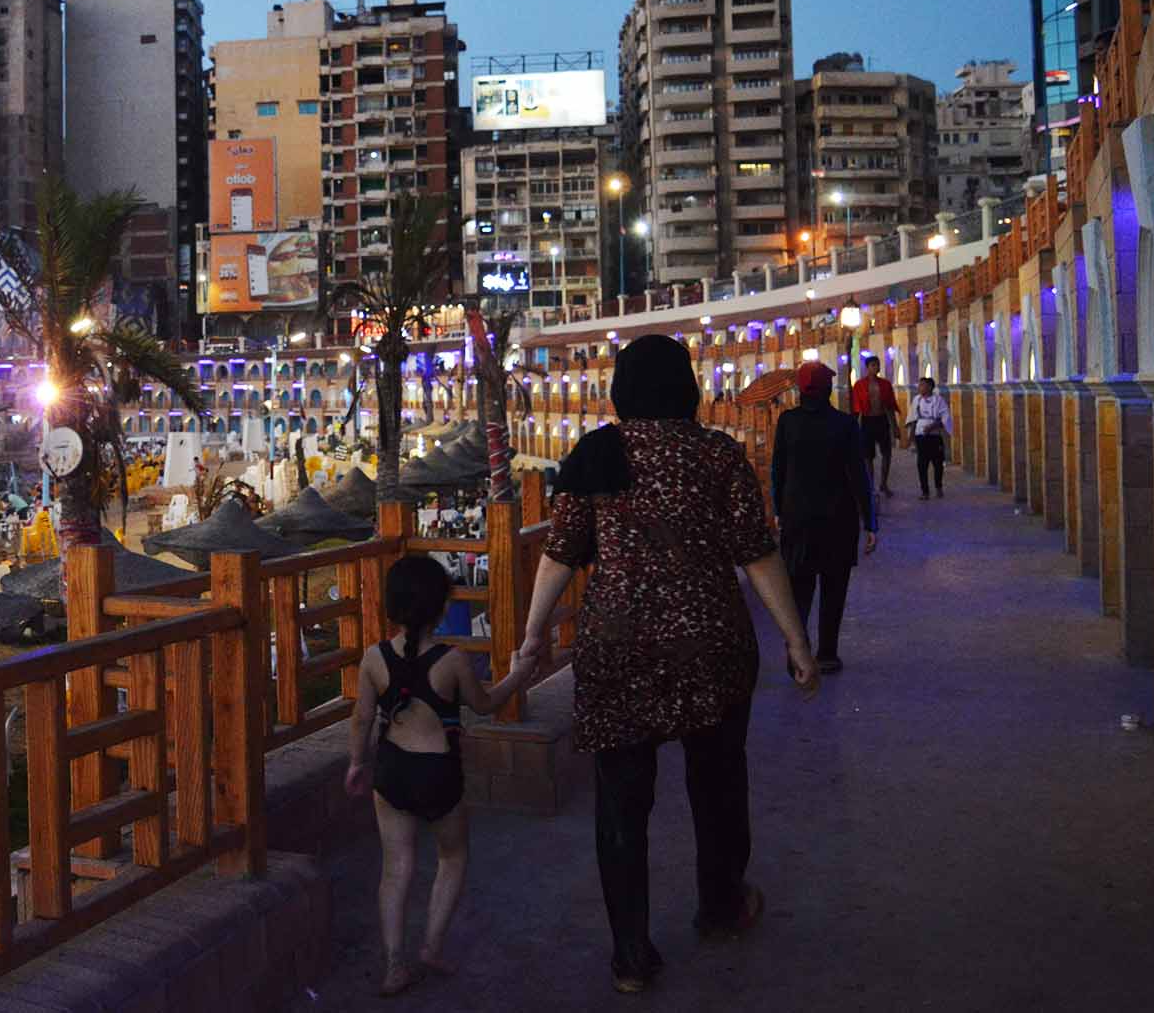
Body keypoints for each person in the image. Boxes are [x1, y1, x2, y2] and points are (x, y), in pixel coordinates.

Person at [512, 333, 819, 995]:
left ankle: (630, 955)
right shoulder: (716, 454)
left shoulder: (595, 452)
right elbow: (756, 553)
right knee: (718, 783)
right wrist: (796, 639)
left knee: (622, 803)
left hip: (617, 648)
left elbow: (559, 554)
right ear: (686, 387)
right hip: (709, 644)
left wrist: (532, 636)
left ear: (621, 388)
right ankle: (720, 905)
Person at [344, 555, 529, 995]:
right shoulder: (452, 661)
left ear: (392, 606)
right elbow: (485, 705)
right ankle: (431, 946)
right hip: (438, 772)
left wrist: (356, 763)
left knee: (396, 868)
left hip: (391, 768)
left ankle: (394, 965)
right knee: (452, 856)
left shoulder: (373, 657)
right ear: (441, 607)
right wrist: (518, 674)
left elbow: (361, 718)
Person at [772, 360, 878, 675]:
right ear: (828, 389)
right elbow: (859, 475)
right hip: (838, 521)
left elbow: (778, 471)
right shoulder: (845, 424)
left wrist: (778, 510)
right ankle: (827, 654)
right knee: (834, 588)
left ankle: (797, 652)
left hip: (797, 519)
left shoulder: (787, 422)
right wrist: (870, 522)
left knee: (798, 590)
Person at [849, 355, 903, 497]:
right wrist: (854, 429)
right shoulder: (859, 385)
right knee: (868, 456)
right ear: (867, 368)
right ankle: (871, 485)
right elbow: (856, 409)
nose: (876, 367)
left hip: (882, 420)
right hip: (867, 421)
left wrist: (895, 427)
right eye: (873, 365)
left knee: (887, 453)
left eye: (877, 365)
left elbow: (890, 406)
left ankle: (884, 484)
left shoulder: (885, 384)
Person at [905, 376, 953, 499]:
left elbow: (944, 417)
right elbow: (913, 418)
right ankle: (925, 491)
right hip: (920, 435)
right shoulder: (917, 400)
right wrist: (911, 437)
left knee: (937, 463)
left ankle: (938, 487)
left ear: (930, 387)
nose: (920, 388)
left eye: (922, 385)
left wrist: (933, 426)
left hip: (934, 436)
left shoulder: (938, 400)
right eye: (919, 385)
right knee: (922, 464)